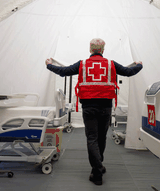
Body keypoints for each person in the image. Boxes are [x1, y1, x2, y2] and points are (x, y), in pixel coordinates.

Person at [45, 38, 143, 185]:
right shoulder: (111, 64)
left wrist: (49, 65)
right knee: (102, 137)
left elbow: (63, 71)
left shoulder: (82, 64)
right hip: (106, 107)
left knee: (92, 138)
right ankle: (98, 166)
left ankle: (97, 171)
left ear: (90, 49)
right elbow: (128, 72)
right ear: (103, 50)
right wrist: (139, 65)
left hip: (89, 107)